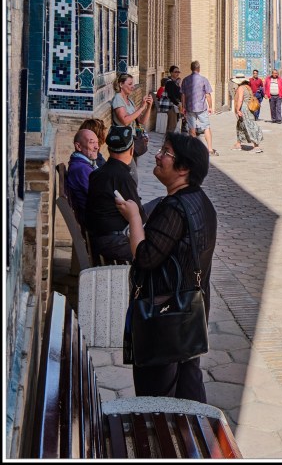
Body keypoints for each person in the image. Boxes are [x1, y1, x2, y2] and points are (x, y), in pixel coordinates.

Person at [115, 132, 217, 401]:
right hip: (192, 309)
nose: (158, 156)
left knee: (157, 399)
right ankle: (195, 439)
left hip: (164, 316)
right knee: (188, 387)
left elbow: (145, 256)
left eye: (166, 153)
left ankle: (164, 441)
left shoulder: (174, 208)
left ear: (184, 169)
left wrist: (134, 217)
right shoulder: (202, 202)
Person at [86, 126, 147, 263]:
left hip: (99, 236)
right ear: (131, 150)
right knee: (156, 254)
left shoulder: (97, 173)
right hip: (113, 243)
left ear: (108, 149)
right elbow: (140, 218)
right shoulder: (123, 177)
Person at [111, 72, 154, 183]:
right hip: (122, 143)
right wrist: (141, 108)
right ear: (121, 84)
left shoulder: (129, 101)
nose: (132, 87)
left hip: (131, 142)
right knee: (132, 178)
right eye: (129, 84)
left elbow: (141, 121)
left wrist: (148, 107)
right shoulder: (118, 99)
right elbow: (125, 121)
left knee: (130, 176)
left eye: (132, 84)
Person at [181, 61, 219, 162]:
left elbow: (183, 95)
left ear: (191, 68)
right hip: (201, 108)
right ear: (199, 69)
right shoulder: (203, 80)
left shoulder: (185, 80)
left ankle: (193, 150)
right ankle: (210, 149)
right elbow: (207, 95)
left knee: (192, 129)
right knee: (206, 127)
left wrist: (183, 107)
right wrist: (210, 106)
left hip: (190, 107)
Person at [66, 128, 100, 229]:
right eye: (92, 142)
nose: (96, 147)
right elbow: (98, 196)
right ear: (78, 146)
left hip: (92, 216)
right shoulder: (81, 169)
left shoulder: (82, 164)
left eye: (97, 143)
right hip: (94, 222)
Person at [231, 78, 264, 153]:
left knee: (250, 125)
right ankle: (238, 144)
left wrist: (238, 109)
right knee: (240, 126)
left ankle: (256, 146)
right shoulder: (248, 87)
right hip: (249, 107)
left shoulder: (241, 88)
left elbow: (240, 99)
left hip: (244, 108)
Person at [164, 65, 183, 133]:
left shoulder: (175, 82)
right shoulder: (170, 82)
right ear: (171, 73)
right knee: (171, 127)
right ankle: (168, 142)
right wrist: (178, 104)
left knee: (173, 126)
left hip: (175, 107)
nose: (177, 73)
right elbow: (171, 96)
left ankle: (169, 142)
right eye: (175, 72)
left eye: (178, 72)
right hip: (171, 107)